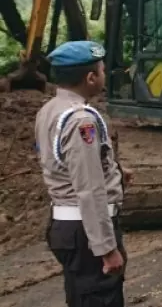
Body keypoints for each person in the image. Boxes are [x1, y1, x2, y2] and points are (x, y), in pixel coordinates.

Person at [35, 40, 130, 307]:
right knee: (100, 297)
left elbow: (61, 162)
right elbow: (89, 188)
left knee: (81, 297)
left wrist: (117, 172)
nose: (103, 75)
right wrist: (106, 248)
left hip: (67, 225)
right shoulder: (81, 120)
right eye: (100, 70)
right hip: (85, 230)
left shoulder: (50, 110)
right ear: (90, 78)